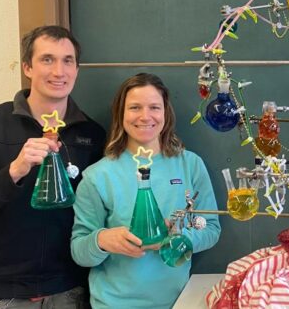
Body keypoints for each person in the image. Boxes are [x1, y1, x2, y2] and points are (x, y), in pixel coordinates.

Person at [0, 25, 106, 308]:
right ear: (27, 67)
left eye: (68, 61)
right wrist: (13, 171)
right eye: (47, 59)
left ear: (77, 69)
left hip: (69, 293)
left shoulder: (92, 135)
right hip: (0, 297)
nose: (59, 71)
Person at [70, 73, 220, 309]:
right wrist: (103, 240)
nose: (145, 116)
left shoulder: (190, 165)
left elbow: (211, 228)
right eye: (135, 107)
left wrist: (177, 238)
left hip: (181, 301)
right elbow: (79, 251)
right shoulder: (98, 176)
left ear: (165, 113)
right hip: (114, 304)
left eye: (154, 107)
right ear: (121, 113)